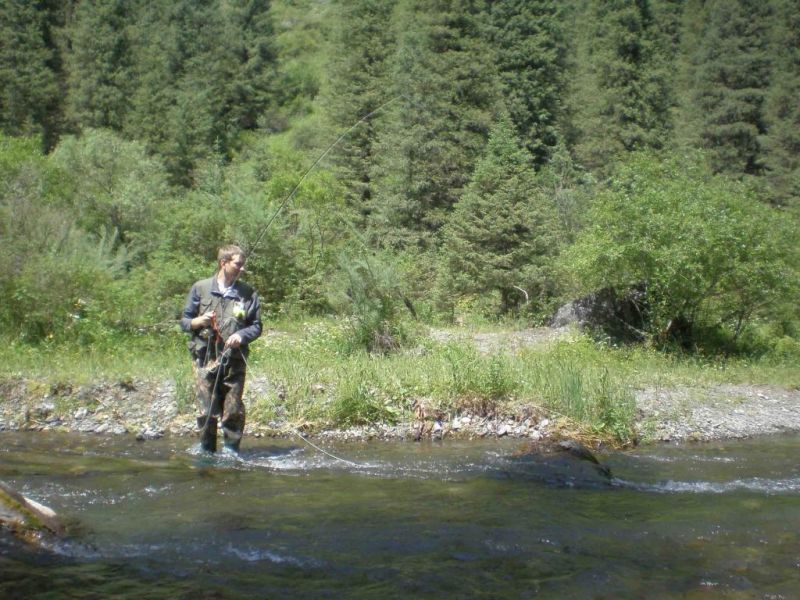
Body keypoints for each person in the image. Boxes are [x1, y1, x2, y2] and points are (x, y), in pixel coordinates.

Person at [181, 245, 262, 453]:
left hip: (234, 359)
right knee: (206, 410)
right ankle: (207, 452)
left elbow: (256, 326)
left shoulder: (248, 293)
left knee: (233, 409)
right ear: (223, 263)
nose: (242, 268)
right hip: (204, 359)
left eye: (243, 265)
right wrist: (199, 321)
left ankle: (231, 452)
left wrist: (241, 335)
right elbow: (184, 322)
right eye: (238, 264)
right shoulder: (201, 288)